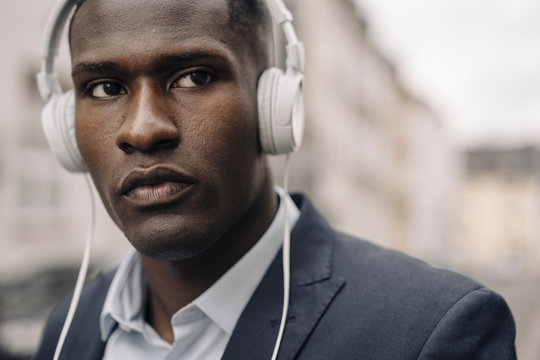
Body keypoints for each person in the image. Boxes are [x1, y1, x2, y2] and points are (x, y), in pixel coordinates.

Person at [34, 0, 517, 359]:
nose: (141, 129)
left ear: (276, 108)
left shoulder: (434, 331)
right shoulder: (67, 331)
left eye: (194, 77)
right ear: (65, 129)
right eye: (104, 88)